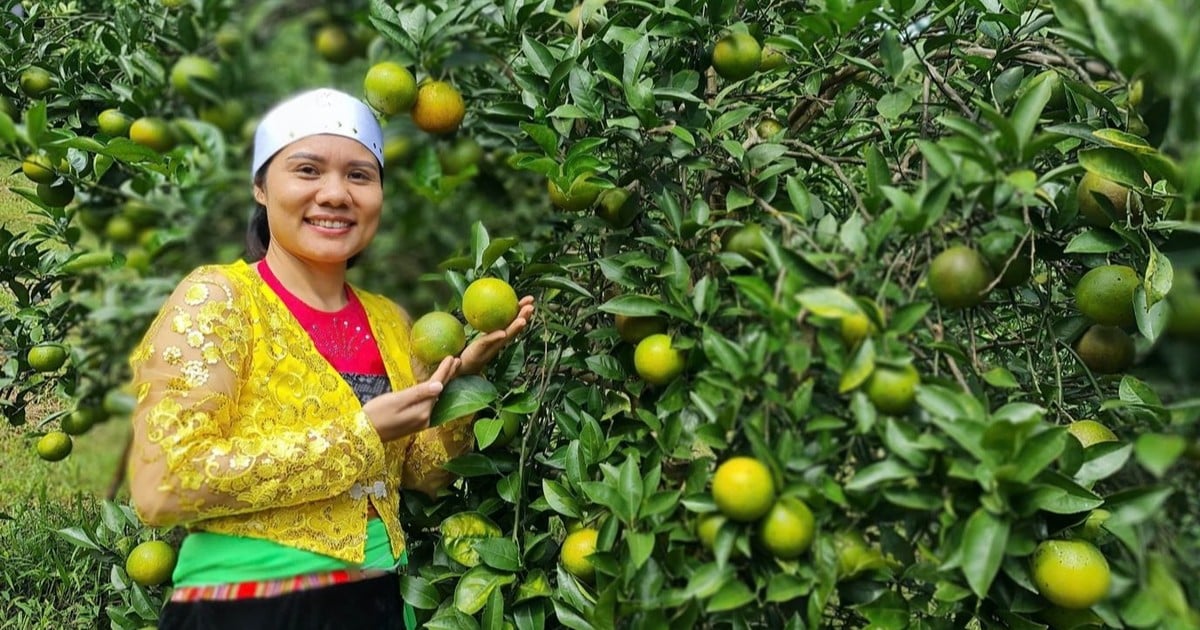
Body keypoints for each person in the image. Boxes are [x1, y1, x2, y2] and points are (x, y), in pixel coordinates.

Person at [127, 87, 535, 630]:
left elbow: (422, 473)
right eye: (307, 170)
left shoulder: (390, 320)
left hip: (378, 601)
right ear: (260, 187)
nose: (336, 194)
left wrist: (466, 380)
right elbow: (165, 484)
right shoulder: (220, 300)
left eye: (360, 176)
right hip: (250, 604)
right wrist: (360, 433)